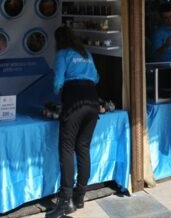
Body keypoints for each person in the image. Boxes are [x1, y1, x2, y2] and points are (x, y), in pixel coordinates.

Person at [47, 26, 100, 217]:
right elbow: (96, 78)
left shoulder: (62, 53)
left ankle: (65, 201)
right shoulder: (86, 53)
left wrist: (58, 91)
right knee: (83, 147)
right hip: (92, 101)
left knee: (67, 148)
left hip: (74, 102)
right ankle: (80, 196)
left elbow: (57, 83)